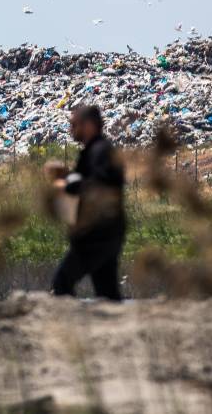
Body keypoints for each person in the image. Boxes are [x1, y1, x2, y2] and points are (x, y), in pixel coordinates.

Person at [45, 105, 126, 300]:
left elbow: (99, 184)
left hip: (98, 232)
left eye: (74, 124)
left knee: (62, 282)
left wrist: (66, 184)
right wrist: (69, 176)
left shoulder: (100, 151)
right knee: (107, 293)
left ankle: (71, 328)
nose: (71, 129)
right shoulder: (94, 151)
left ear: (88, 125)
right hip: (105, 230)